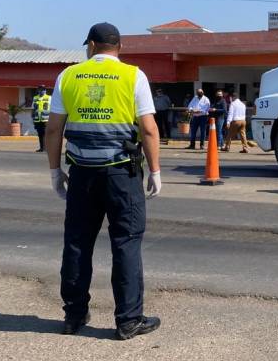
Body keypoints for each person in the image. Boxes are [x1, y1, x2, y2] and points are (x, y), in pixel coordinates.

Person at [44, 22, 162, 340]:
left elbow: (53, 129)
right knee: (126, 242)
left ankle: (73, 316)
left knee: (77, 242)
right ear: (119, 47)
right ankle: (128, 320)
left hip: (82, 173)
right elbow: (149, 129)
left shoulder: (68, 75)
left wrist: (55, 171)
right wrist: (155, 170)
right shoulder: (133, 76)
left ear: (92, 45)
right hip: (122, 174)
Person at [31, 84, 51, 152]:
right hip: (37, 119)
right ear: (38, 90)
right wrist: (33, 118)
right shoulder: (35, 98)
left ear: (45, 90)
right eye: (40, 89)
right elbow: (33, 108)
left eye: (43, 89)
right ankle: (42, 148)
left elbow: (53, 109)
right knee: (40, 134)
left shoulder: (49, 98)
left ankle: (47, 148)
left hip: (46, 119)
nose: (42, 91)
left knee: (46, 134)